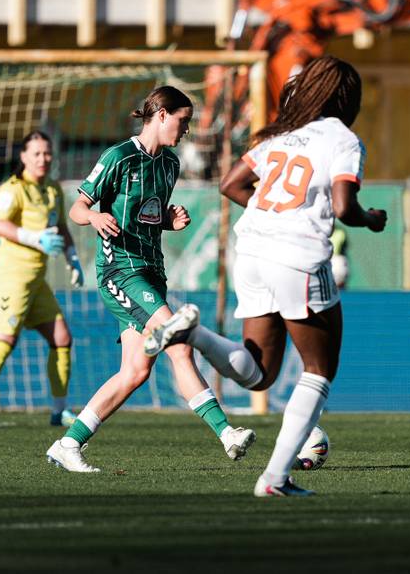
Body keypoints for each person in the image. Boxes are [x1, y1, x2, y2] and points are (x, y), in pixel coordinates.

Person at [146, 56, 387, 496]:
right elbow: (343, 207)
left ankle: (196, 334)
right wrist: (370, 219)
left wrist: (273, 215)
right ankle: (275, 479)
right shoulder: (343, 139)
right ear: (345, 98)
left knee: (259, 374)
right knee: (319, 369)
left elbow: (232, 185)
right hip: (297, 256)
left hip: (253, 250)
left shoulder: (281, 136)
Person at [45, 86, 256, 473]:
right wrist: (92, 218)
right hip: (120, 272)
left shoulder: (170, 164)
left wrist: (168, 221)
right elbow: (77, 207)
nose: (186, 129)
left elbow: (146, 215)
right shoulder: (118, 157)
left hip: (151, 272)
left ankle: (67, 443)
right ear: (161, 115)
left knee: (136, 372)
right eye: (183, 120)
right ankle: (226, 433)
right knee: (178, 345)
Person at [0, 130, 84, 429]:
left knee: (61, 338)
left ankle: (59, 411)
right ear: (24, 156)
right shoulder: (12, 189)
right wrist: (34, 238)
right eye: (37, 153)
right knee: (4, 339)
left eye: (47, 153)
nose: (43, 159)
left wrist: (73, 258)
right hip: (10, 276)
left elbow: (62, 227)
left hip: (36, 280)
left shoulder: (53, 189)